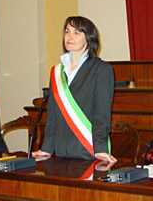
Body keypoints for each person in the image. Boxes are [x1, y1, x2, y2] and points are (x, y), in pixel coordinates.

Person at [33, 16, 116, 163]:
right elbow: (52, 113)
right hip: (60, 150)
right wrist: (47, 147)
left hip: (87, 149)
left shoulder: (101, 70)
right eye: (67, 31)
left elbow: (102, 114)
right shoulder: (56, 71)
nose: (69, 36)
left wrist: (101, 149)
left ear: (89, 38)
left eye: (77, 32)